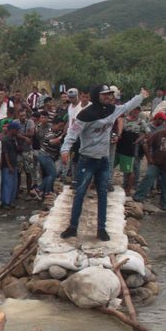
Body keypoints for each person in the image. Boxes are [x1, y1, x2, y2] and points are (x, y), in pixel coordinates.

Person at [61, 85, 147, 241]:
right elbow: (72, 133)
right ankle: (73, 227)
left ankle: (101, 229)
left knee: (103, 194)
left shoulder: (112, 110)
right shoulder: (85, 115)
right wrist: (65, 150)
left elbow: (127, 106)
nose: (108, 97)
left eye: (109, 94)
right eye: (104, 94)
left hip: (103, 160)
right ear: (96, 96)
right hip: (87, 160)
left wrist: (140, 96)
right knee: (80, 193)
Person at [136, 117, 166, 210]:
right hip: (156, 163)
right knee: (148, 178)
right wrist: (149, 158)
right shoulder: (158, 134)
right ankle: (138, 197)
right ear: (165, 125)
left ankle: (164, 205)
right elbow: (146, 144)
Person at [35, 117, 66, 198]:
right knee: (52, 174)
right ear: (54, 125)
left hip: (47, 156)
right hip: (45, 155)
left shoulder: (56, 132)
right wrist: (62, 136)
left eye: (62, 127)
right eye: (59, 126)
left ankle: (40, 190)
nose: (61, 128)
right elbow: (53, 142)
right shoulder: (50, 134)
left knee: (50, 174)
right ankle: (45, 191)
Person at [0, 121, 21, 209]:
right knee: (7, 184)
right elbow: (5, 154)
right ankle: (6, 202)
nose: (17, 131)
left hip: (14, 164)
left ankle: (10, 201)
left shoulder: (13, 139)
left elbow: (17, 150)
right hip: (7, 166)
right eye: (16, 130)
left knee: (14, 184)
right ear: (12, 130)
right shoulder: (5, 140)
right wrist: (9, 166)